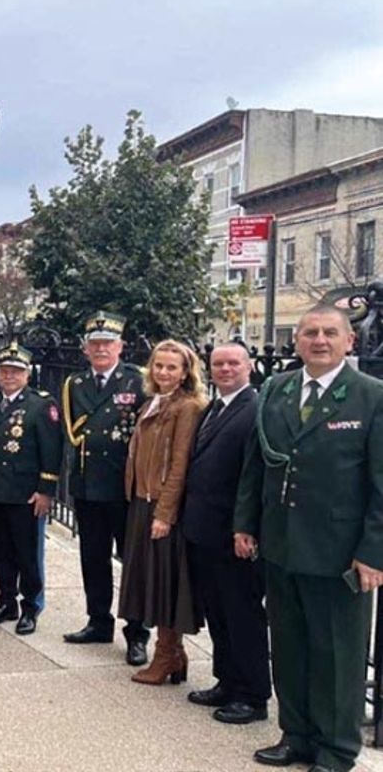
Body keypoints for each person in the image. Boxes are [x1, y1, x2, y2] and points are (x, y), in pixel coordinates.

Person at [235, 305, 383, 772]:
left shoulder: (370, 396)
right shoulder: (277, 389)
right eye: (310, 333)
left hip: (339, 552)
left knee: (337, 654)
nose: (319, 341)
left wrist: (373, 552)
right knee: (291, 646)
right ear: (296, 341)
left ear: (349, 342)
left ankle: (336, 749)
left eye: (329, 333)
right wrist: (245, 523)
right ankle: (296, 735)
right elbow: (256, 466)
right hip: (281, 544)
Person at [183, 342, 269, 725]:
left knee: (242, 614)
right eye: (218, 364)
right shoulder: (215, 407)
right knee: (217, 612)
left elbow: (254, 475)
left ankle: (252, 695)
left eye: (233, 362)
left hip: (234, 533)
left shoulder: (255, 409)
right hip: (204, 529)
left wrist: (245, 526)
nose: (225, 369)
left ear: (248, 367)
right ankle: (226, 680)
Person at [61, 311, 150, 665]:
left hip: (124, 485)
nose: (101, 349)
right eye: (94, 343)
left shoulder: (138, 381)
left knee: (132, 562)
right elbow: (72, 431)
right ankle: (99, 620)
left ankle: (137, 632)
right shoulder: (75, 385)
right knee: (93, 557)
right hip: (87, 483)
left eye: (107, 343)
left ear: (120, 346)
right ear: (85, 349)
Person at [119, 339, 206, 685]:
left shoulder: (188, 407)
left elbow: (181, 463)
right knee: (149, 580)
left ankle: (167, 653)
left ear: (186, 372)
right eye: (158, 365)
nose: (164, 372)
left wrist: (165, 513)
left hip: (162, 506)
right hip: (142, 499)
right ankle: (175, 655)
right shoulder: (154, 401)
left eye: (172, 367)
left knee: (165, 583)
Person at [0, 342, 61, 635]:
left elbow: (51, 450)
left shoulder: (40, 405)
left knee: (27, 554)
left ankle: (31, 608)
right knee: (1, 552)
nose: (9, 375)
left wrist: (46, 490)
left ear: (26, 374)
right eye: (4, 370)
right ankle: (7, 601)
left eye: (16, 371)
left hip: (26, 493)